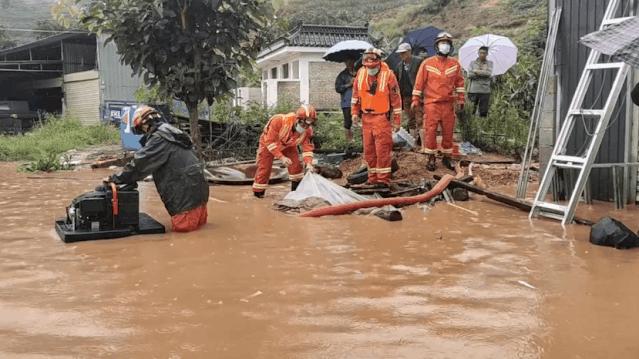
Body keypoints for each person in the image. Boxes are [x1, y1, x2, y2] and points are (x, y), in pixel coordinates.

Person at [107, 105, 209, 233]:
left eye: (141, 130)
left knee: (185, 240)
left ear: (144, 124)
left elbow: (140, 165)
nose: (143, 133)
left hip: (184, 200)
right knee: (199, 236)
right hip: (199, 195)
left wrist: (115, 179)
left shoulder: (159, 139)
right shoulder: (172, 132)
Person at [411, 32, 465, 171]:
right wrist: (415, 99)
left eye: (447, 43)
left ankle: (447, 157)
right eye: (442, 43)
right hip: (431, 104)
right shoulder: (427, 63)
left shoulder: (455, 64)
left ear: (451, 46)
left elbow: (459, 83)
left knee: (448, 131)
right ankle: (431, 157)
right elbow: (419, 83)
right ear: (436, 46)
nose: (445, 45)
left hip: (448, 104)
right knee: (431, 131)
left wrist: (461, 99)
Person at [351, 48, 402, 188]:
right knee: (369, 151)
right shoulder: (361, 74)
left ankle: (383, 180)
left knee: (382, 150)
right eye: (368, 66)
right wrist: (354, 113)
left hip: (381, 118)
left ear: (379, 62)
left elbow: (396, 100)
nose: (370, 69)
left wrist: (397, 120)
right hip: (366, 118)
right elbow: (355, 96)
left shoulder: (389, 75)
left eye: (373, 66)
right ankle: (372, 178)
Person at [252, 105, 317, 198]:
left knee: (296, 166)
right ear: (297, 120)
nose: (305, 127)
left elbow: (308, 149)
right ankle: (258, 194)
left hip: (289, 144)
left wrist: (309, 164)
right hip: (268, 144)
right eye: (303, 124)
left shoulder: (308, 131)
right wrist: (281, 157)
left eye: (308, 125)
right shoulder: (278, 121)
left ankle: (295, 195)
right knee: (264, 168)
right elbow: (270, 142)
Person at [394, 42, 424, 142]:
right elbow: (397, 81)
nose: (401, 55)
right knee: (411, 119)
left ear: (409, 52)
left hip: (417, 95)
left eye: (403, 52)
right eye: (400, 53)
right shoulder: (399, 66)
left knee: (420, 119)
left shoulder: (419, 61)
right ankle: (414, 142)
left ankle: (423, 142)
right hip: (406, 96)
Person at [467, 46, 493, 117]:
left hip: (485, 90)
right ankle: (471, 127)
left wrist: (476, 71)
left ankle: (483, 127)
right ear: (478, 53)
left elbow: (488, 73)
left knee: (483, 112)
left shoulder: (490, 63)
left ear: (487, 54)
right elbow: (469, 75)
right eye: (481, 53)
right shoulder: (472, 63)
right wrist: (483, 72)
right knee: (471, 110)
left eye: (484, 53)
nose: (482, 54)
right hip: (473, 90)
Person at [335, 58, 357, 143]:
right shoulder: (342, 75)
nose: (350, 63)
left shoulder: (359, 73)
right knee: (348, 122)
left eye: (351, 61)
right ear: (345, 63)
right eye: (348, 62)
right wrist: (349, 84)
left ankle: (361, 141)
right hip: (347, 102)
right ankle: (350, 142)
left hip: (359, 102)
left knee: (360, 121)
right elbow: (337, 88)